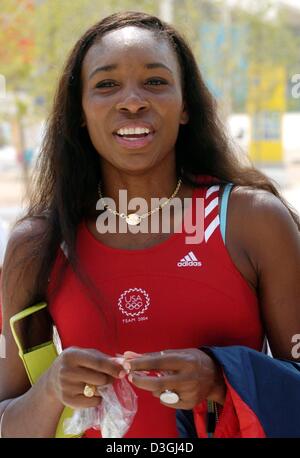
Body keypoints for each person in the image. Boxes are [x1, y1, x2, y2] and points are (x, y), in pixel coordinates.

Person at [0, 11, 299, 438]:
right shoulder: (39, 245)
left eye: (156, 81)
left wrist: (218, 377)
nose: (133, 100)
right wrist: (50, 389)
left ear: (186, 107)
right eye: (106, 84)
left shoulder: (252, 221)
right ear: (80, 112)